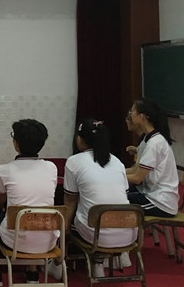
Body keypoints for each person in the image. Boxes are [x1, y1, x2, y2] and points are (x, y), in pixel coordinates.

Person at [0, 119, 57, 286]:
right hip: (49, 240)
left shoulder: (4, 169)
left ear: (16, 144)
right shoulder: (52, 168)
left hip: (15, 241)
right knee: (34, 216)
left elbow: (0, 202)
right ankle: (32, 273)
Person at [58, 119, 137, 279]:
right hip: (130, 234)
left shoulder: (74, 161)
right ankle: (108, 259)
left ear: (79, 139)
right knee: (100, 214)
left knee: (71, 221)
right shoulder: (117, 162)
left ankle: (60, 263)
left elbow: (70, 200)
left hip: (95, 234)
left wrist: (64, 230)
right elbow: (123, 195)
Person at [126, 97, 179, 218]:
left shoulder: (154, 143)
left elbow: (137, 178)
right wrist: (115, 172)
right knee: (119, 192)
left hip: (161, 202)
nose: (130, 114)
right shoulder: (148, 138)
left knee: (117, 200)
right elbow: (135, 169)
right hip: (151, 193)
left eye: (132, 111)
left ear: (141, 117)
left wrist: (114, 176)